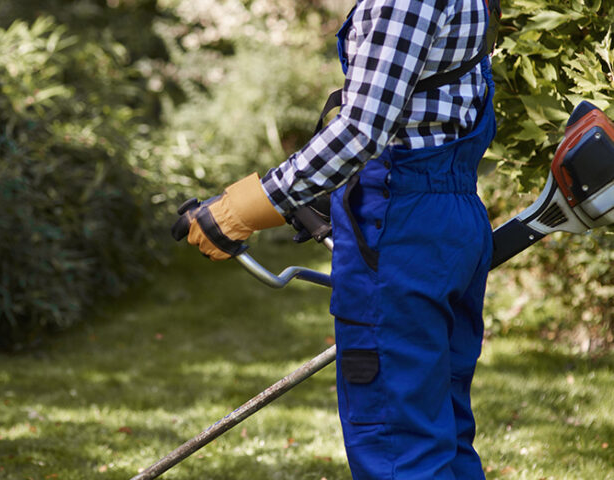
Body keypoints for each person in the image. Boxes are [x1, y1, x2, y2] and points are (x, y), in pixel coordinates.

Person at [181, 0, 498, 478]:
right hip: (448, 214)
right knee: (443, 429)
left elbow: (361, 130)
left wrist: (244, 209)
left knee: (396, 443)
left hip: (400, 228)